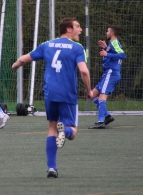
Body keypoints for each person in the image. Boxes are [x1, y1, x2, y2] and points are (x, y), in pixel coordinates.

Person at [12, 17, 93, 178]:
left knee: (51, 129)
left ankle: (52, 168)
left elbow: (23, 59)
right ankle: (66, 131)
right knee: (73, 132)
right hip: (68, 94)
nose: (80, 30)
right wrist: (89, 90)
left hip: (50, 93)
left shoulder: (46, 45)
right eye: (77, 26)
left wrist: (14, 66)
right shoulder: (77, 48)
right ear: (68, 29)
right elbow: (84, 71)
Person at [88, 25, 126, 129]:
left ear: (112, 33)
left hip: (111, 73)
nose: (106, 33)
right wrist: (105, 48)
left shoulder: (114, 42)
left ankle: (100, 122)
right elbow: (114, 52)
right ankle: (107, 116)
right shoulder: (111, 44)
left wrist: (107, 54)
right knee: (91, 95)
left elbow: (122, 55)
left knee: (101, 98)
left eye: (107, 31)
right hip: (107, 74)